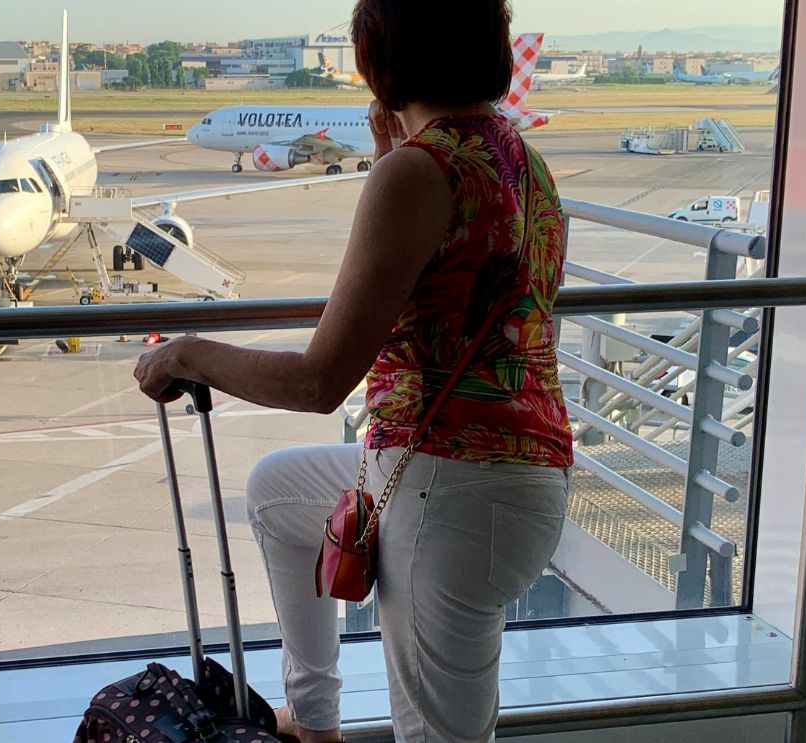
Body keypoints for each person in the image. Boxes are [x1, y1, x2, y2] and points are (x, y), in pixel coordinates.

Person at [135, 0, 574, 739]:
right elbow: (453, 280)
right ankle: (313, 720)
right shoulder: (517, 158)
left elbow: (317, 382)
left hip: (451, 490)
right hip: (511, 468)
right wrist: (388, 155)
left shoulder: (417, 172)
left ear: (380, 63)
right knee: (277, 491)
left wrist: (185, 353)